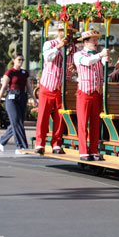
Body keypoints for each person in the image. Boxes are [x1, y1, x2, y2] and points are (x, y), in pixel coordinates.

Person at [35, 22, 77, 155]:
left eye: (70, 31)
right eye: (65, 31)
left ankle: (56, 144)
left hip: (64, 86)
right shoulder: (50, 44)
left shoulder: (73, 48)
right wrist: (59, 47)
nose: (68, 34)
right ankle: (40, 143)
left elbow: (76, 62)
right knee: (43, 115)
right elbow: (48, 57)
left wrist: (75, 68)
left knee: (60, 116)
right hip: (48, 84)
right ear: (59, 32)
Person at [74, 29, 110, 161]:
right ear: (86, 42)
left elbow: (102, 66)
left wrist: (106, 59)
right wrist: (101, 55)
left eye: (96, 39)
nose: (96, 42)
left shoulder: (97, 55)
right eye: (93, 40)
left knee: (95, 123)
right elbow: (87, 62)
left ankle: (94, 150)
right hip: (84, 92)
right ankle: (83, 151)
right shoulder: (78, 55)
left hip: (97, 92)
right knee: (83, 123)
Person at [0, 54, 30, 155]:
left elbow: (29, 87)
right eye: (19, 59)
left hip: (22, 97)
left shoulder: (25, 73)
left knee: (18, 123)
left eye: (22, 60)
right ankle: (21, 147)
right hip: (12, 98)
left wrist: (35, 99)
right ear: (13, 60)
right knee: (17, 122)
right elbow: (4, 87)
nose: (21, 61)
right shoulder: (9, 72)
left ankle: (2, 140)